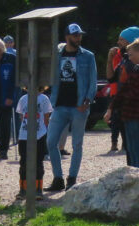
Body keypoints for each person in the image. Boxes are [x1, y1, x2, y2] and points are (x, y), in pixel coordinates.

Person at [45, 24, 98, 192]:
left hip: (79, 107)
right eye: (75, 35)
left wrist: (87, 101)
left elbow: (93, 81)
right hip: (59, 105)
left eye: (79, 35)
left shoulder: (88, 56)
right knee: (51, 142)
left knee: (77, 144)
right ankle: (58, 178)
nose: (78, 38)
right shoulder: (57, 55)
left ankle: (72, 178)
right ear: (67, 36)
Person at [106, 39, 139, 171]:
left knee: (138, 153)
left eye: (131, 55)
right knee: (132, 153)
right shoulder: (136, 69)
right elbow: (123, 90)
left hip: (138, 116)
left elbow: (135, 93)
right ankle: (135, 184)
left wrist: (119, 102)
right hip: (128, 116)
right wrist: (111, 108)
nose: (129, 58)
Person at [107, 27, 139, 152]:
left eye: (121, 40)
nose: (118, 42)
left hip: (133, 106)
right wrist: (109, 58)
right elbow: (111, 78)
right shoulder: (124, 58)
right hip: (121, 100)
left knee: (134, 147)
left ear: (130, 42)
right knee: (118, 123)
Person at [15, 86, 52, 199]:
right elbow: (21, 116)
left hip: (39, 134)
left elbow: (46, 116)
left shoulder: (44, 98)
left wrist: (44, 131)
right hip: (24, 135)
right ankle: (23, 189)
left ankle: (38, 189)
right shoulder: (23, 99)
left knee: (38, 162)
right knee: (24, 162)